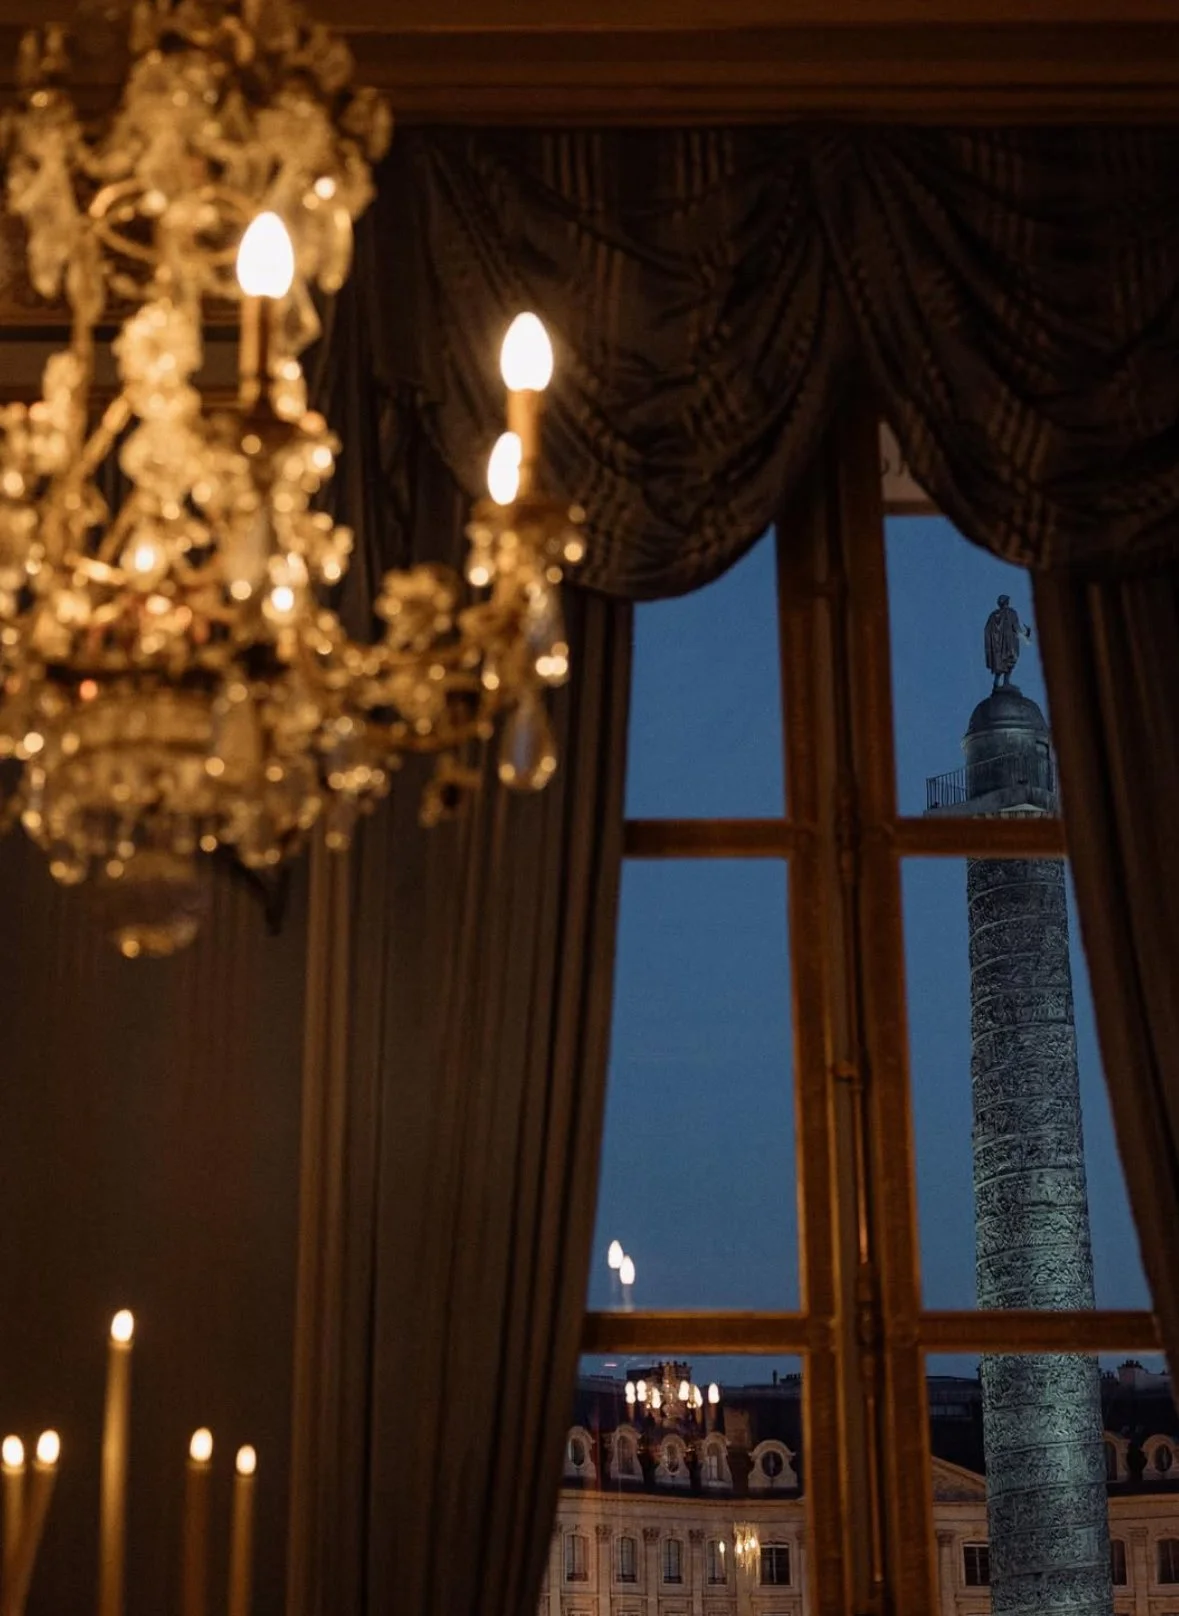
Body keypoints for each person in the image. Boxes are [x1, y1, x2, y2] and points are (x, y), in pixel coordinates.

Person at [984, 594, 1032, 692]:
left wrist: (994, 643)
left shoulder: (993, 616)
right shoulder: (1011, 613)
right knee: (1010, 661)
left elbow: (987, 630)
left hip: (998, 647)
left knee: (1000, 663)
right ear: (1007, 602)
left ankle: (996, 682)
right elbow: (1016, 628)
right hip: (1010, 643)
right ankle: (1006, 682)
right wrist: (1026, 635)